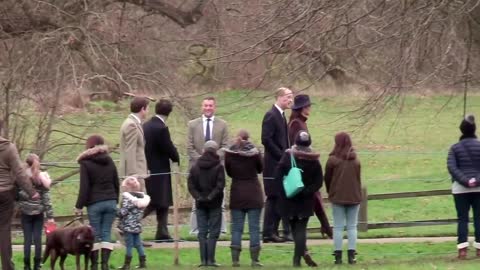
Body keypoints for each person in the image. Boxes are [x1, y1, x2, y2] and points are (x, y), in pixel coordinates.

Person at [288, 94, 332, 266]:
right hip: (302, 172)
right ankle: (326, 232)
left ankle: (301, 254)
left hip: (300, 171)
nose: (309, 109)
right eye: (307, 106)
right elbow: (300, 147)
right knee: (308, 210)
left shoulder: (298, 122)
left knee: (302, 218)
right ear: (301, 108)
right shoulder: (297, 124)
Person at [275, 131, 323, 268]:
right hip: (306, 201)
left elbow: (278, 175)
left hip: (289, 199)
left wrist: (283, 193)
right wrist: (307, 191)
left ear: (296, 141)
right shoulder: (314, 159)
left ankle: (300, 257)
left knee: (294, 228)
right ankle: (297, 259)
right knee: (301, 229)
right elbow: (319, 181)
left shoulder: (288, 156)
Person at [75, 135, 119, 270]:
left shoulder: (85, 163)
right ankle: (104, 265)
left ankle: (94, 265)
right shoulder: (109, 160)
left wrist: (79, 206)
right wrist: (115, 199)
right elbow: (116, 182)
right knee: (106, 232)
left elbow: (84, 187)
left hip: (95, 203)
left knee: (95, 234)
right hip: (111, 201)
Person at [0, 120, 39, 270]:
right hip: (5, 194)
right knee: (4, 230)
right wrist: (32, 192)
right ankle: (7, 267)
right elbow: (19, 172)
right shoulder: (8, 148)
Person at [187, 97, 229, 235]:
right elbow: (190, 147)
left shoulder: (222, 124)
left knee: (219, 200)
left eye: (210, 105)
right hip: (198, 171)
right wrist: (202, 161)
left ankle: (220, 230)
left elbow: (225, 146)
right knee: (196, 202)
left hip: (217, 170)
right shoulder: (192, 125)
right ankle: (196, 230)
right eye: (205, 105)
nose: (208, 108)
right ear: (202, 107)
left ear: (214, 107)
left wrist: (213, 159)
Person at [224, 130, 264, 267]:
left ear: (237, 138)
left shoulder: (229, 154)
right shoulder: (255, 153)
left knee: (236, 228)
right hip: (254, 193)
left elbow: (229, 172)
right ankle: (255, 260)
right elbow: (260, 169)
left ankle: (235, 260)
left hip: (237, 193)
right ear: (248, 138)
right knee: (254, 228)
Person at [143, 99, 180, 242]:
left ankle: (162, 232)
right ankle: (129, 223)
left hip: (148, 168)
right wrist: (176, 157)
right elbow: (168, 147)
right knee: (156, 201)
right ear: (169, 112)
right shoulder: (161, 128)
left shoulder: (145, 126)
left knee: (162, 201)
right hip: (160, 170)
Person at [261, 87, 293, 243]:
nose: (290, 100)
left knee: (279, 197)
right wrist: (282, 156)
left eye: (291, 97)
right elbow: (266, 139)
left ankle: (273, 231)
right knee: (273, 197)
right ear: (279, 97)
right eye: (288, 97)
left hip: (281, 165)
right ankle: (267, 233)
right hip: (273, 165)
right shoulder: (271, 115)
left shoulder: (282, 117)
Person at [324, 132, 362, 264]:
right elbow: (358, 179)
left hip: (338, 197)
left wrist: (331, 192)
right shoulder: (356, 160)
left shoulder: (332, 160)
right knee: (352, 226)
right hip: (354, 197)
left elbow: (327, 179)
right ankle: (352, 255)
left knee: (338, 227)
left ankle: (338, 256)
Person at [188, 140, 226, 267]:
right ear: (215, 151)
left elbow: (191, 184)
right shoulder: (219, 166)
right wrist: (211, 197)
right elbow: (220, 185)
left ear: (203, 151)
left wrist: (198, 197)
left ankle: (203, 260)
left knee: (202, 232)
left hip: (200, 204)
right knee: (214, 232)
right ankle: (211, 260)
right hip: (214, 203)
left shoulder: (195, 166)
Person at [447, 114, 480, 259]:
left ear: (461, 130)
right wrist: (476, 181)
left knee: (462, 219)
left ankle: (462, 249)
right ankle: (479, 249)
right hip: (479, 188)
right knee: (479, 218)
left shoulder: (454, 148)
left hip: (460, 189)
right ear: (474, 129)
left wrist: (465, 181)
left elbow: (452, 167)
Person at [17, 154, 54, 270]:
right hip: (38, 213)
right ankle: (37, 265)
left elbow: (17, 194)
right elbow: (46, 198)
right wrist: (50, 216)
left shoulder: (22, 178)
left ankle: (26, 265)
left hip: (25, 213)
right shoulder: (41, 178)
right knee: (38, 239)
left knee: (27, 239)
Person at [117, 176, 151, 269]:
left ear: (128, 187)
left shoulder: (127, 198)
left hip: (128, 226)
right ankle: (143, 263)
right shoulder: (143, 198)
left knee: (129, 245)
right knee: (138, 244)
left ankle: (127, 264)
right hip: (137, 225)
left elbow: (124, 211)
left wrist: (117, 212)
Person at [119, 97, 149, 190]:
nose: (148, 111)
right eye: (147, 108)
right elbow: (130, 149)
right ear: (142, 109)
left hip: (137, 173)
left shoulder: (134, 123)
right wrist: (132, 175)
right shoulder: (131, 125)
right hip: (134, 175)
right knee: (135, 201)